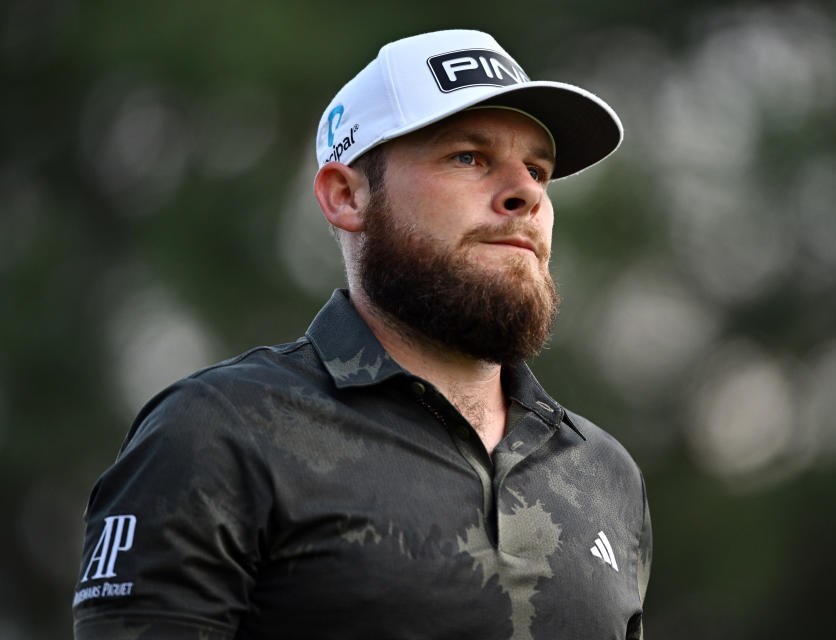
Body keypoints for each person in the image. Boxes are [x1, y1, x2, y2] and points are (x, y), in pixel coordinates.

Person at [72, 29, 652, 639]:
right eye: (468, 157)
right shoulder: (218, 432)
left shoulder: (604, 473)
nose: (526, 193)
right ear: (346, 196)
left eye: (537, 169)